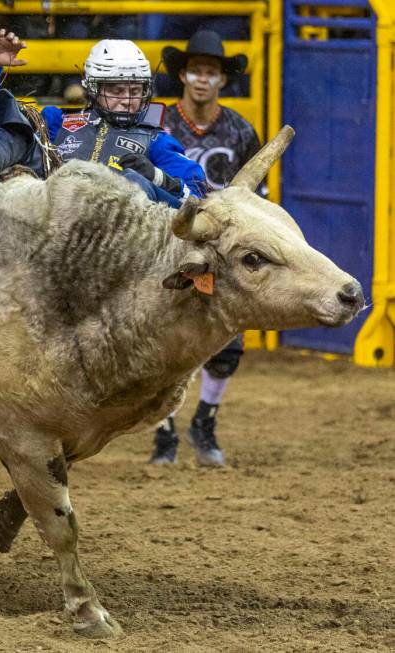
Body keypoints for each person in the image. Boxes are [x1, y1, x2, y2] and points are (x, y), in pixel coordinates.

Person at [149, 30, 267, 468]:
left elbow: (257, 194)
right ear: (183, 74)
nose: (202, 79)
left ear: (221, 80)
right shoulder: (160, 125)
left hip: (226, 249)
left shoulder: (240, 130)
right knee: (165, 338)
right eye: (196, 70)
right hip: (169, 243)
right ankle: (164, 432)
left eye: (211, 72)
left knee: (227, 346)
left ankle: (204, 421)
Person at [0, 30, 205, 206]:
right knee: (13, 118)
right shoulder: (59, 120)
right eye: (116, 89)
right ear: (93, 89)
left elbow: (199, 200)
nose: (127, 99)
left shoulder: (157, 140)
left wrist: (157, 177)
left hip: (119, 231)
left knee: (136, 183)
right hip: (51, 208)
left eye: (135, 90)